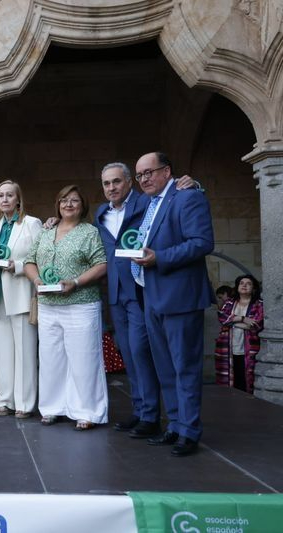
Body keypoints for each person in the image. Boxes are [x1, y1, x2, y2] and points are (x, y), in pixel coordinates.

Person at [94, 163, 200, 437]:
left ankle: (153, 416)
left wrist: (195, 184)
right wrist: (53, 221)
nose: (112, 188)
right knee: (129, 354)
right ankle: (141, 411)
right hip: (116, 293)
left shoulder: (147, 202)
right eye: (106, 183)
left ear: (129, 181)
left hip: (143, 290)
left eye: (117, 181)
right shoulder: (101, 213)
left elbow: (175, 202)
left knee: (142, 353)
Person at [131, 151, 214, 457]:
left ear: (167, 172)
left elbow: (202, 242)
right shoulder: (151, 203)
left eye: (148, 173)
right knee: (165, 368)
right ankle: (176, 425)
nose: (144, 180)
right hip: (151, 295)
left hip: (180, 297)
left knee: (185, 367)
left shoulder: (186, 196)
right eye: (139, 175)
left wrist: (160, 258)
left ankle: (190, 431)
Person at [24, 185, 108, 431]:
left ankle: (88, 411)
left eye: (74, 200)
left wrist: (76, 282)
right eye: (64, 200)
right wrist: (37, 280)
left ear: (82, 206)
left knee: (84, 359)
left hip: (81, 304)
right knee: (51, 360)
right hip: (49, 305)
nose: (69, 204)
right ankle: (52, 408)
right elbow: (30, 261)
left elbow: (102, 264)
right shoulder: (46, 230)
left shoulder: (89, 232)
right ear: (57, 204)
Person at [0, 180, 42, 418]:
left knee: (25, 352)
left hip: (20, 293)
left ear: (18, 199)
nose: (4, 199)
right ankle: (5, 399)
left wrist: (16, 266)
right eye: (0, 196)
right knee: (4, 352)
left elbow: (39, 257)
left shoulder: (31, 224)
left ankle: (25, 403)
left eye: (9, 195)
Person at [215, 274, 263, 393]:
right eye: (241, 283)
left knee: (246, 378)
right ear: (237, 287)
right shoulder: (229, 303)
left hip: (249, 348)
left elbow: (256, 324)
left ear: (254, 288)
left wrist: (232, 321)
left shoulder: (259, 304)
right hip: (228, 348)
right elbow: (222, 318)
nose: (244, 285)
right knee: (230, 379)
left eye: (248, 284)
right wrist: (242, 319)